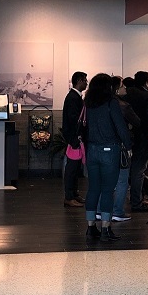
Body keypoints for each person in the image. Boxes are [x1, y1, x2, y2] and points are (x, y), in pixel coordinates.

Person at [83, 73, 131, 242]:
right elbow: (121, 128)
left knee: (93, 188)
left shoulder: (88, 104)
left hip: (92, 150)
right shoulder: (112, 103)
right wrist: (129, 146)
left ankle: (90, 228)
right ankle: (105, 228)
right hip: (109, 150)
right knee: (107, 191)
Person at [126, 70, 148, 212]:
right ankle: (136, 202)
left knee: (131, 168)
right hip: (144, 137)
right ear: (147, 81)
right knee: (139, 170)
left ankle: (132, 199)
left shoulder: (127, 95)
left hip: (130, 136)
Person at [110, 75, 139, 222]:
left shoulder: (99, 104)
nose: (125, 88)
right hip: (121, 147)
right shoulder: (122, 105)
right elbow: (136, 122)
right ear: (116, 89)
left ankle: (99, 211)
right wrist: (128, 145)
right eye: (122, 86)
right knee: (122, 180)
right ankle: (117, 211)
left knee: (105, 180)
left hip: (103, 148)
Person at [62, 71, 87, 207]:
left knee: (76, 167)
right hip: (74, 137)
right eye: (84, 80)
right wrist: (76, 137)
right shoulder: (72, 97)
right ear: (78, 81)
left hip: (76, 137)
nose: (86, 83)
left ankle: (74, 194)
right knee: (71, 168)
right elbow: (73, 120)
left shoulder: (75, 97)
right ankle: (69, 196)